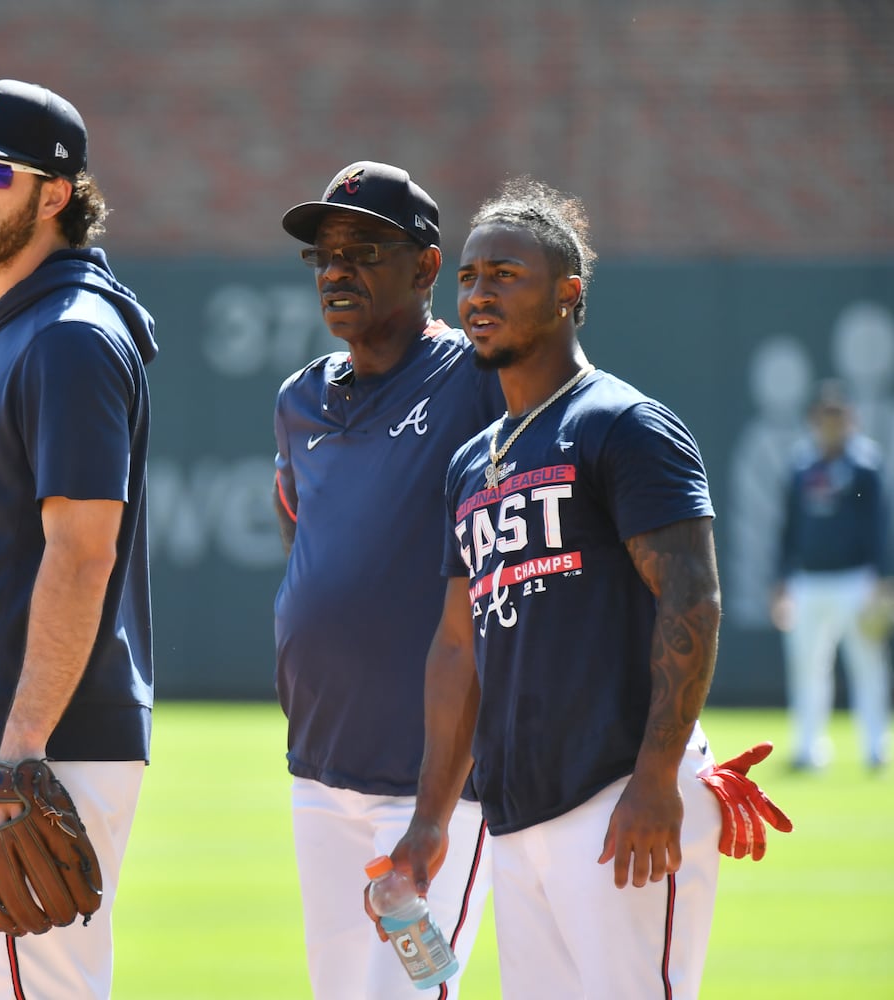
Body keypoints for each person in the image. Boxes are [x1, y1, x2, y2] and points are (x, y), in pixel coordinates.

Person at [389, 178, 726, 999]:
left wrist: (653, 776)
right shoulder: (472, 461)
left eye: (504, 274)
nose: (477, 293)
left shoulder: (622, 424)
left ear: (568, 294)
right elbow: (456, 645)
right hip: (518, 814)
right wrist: (431, 818)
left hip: (620, 793)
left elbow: (692, 599)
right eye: (467, 277)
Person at [0, 79, 157, 1000]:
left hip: (44, 742)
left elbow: (80, 553)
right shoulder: (14, 328)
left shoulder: (68, 338)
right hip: (3, 737)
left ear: (56, 192)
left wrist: (14, 754)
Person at [272, 161, 501, 999]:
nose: (336, 269)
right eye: (323, 254)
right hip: (320, 770)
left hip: (438, 779)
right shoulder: (300, 399)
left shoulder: (478, 379)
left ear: (427, 267)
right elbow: (306, 531)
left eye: (364, 248)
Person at [771, 378, 892, 771]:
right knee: (807, 667)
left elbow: (879, 525)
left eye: (838, 416)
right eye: (825, 416)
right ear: (813, 419)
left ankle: (874, 746)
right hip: (808, 581)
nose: (831, 423)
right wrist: (782, 581)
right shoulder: (801, 464)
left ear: (851, 419)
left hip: (856, 579)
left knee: (867, 665)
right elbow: (787, 527)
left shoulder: (865, 465)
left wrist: (882, 579)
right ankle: (809, 749)